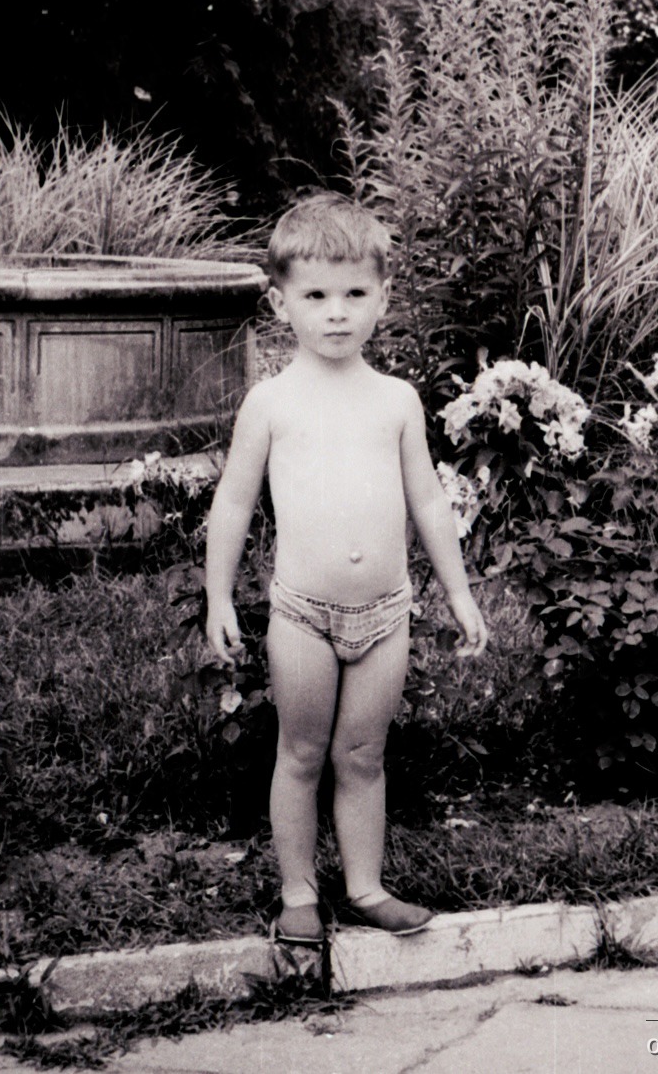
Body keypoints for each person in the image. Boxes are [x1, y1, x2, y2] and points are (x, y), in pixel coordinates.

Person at [204, 193, 489, 946]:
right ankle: (298, 890)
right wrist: (218, 597)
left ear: (382, 297)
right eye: (316, 295)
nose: (336, 313)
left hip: (385, 612)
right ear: (281, 302)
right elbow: (233, 502)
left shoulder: (394, 401)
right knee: (299, 752)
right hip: (302, 610)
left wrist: (458, 592)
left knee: (362, 753)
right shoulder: (271, 403)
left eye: (355, 293)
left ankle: (364, 884)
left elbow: (427, 500)